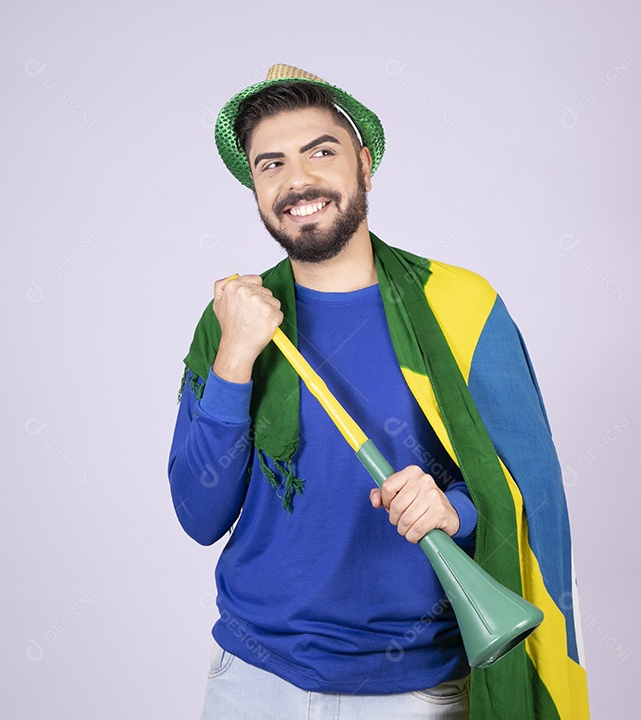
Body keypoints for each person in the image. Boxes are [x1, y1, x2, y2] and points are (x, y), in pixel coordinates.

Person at [168, 64, 589, 720]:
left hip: (417, 691)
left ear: (364, 164)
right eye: (270, 164)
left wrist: (457, 510)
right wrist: (233, 358)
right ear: (254, 187)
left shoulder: (461, 306)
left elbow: (528, 489)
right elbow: (199, 513)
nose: (297, 180)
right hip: (254, 682)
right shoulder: (235, 316)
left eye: (321, 152)